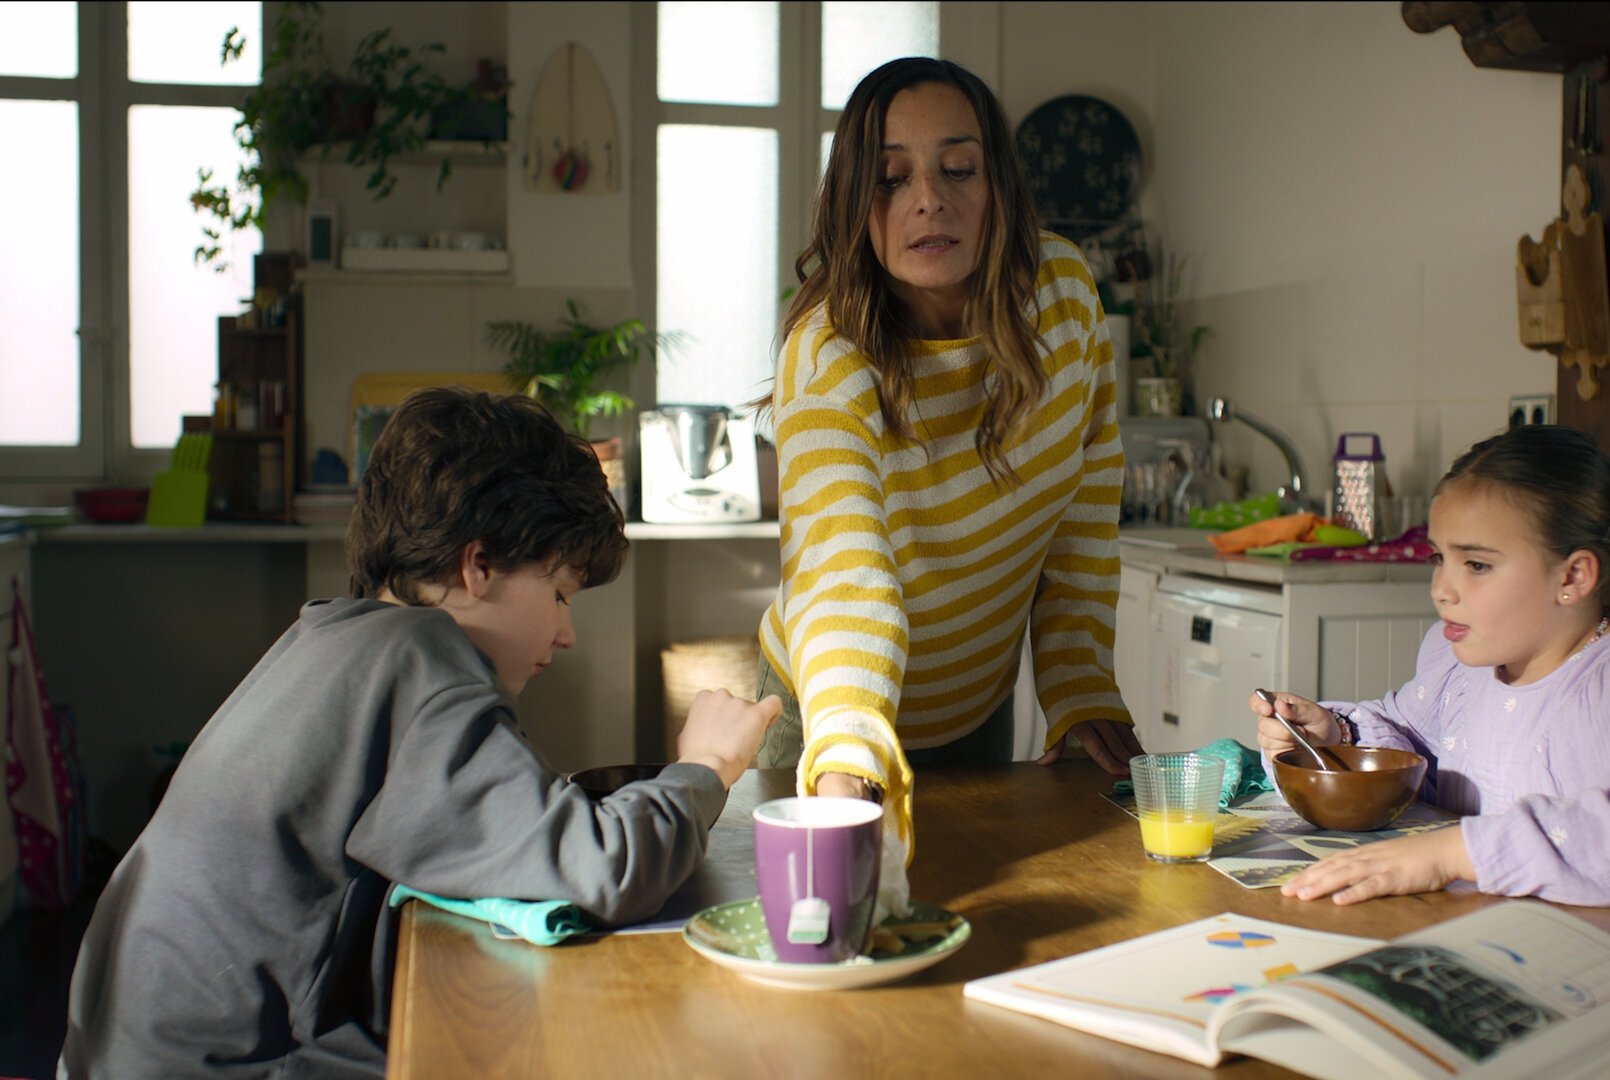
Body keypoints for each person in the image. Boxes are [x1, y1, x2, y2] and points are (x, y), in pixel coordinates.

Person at [59, 388, 779, 1078]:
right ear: (479, 564)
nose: (566, 634)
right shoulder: (416, 654)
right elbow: (602, 867)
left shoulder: (333, 635)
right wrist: (708, 762)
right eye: (560, 594)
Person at [752, 57, 1142, 912]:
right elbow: (841, 572)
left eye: (958, 169)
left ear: (998, 185)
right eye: (891, 178)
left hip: (974, 705)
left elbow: (1083, 506)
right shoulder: (827, 350)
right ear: (853, 202)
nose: (929, 200)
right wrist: (847, 761)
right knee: (837, 923)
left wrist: (1078, 680)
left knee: (983, 934)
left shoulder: (1065, 298)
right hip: (827, 709)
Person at [1249, 424, 1610, 919]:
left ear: (1573, 577)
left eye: (1477, 564)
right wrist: (1335, 738)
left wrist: (1453, 852)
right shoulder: (1461, 664)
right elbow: (1410, 744)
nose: (1442, 589)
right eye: (1439, 557)